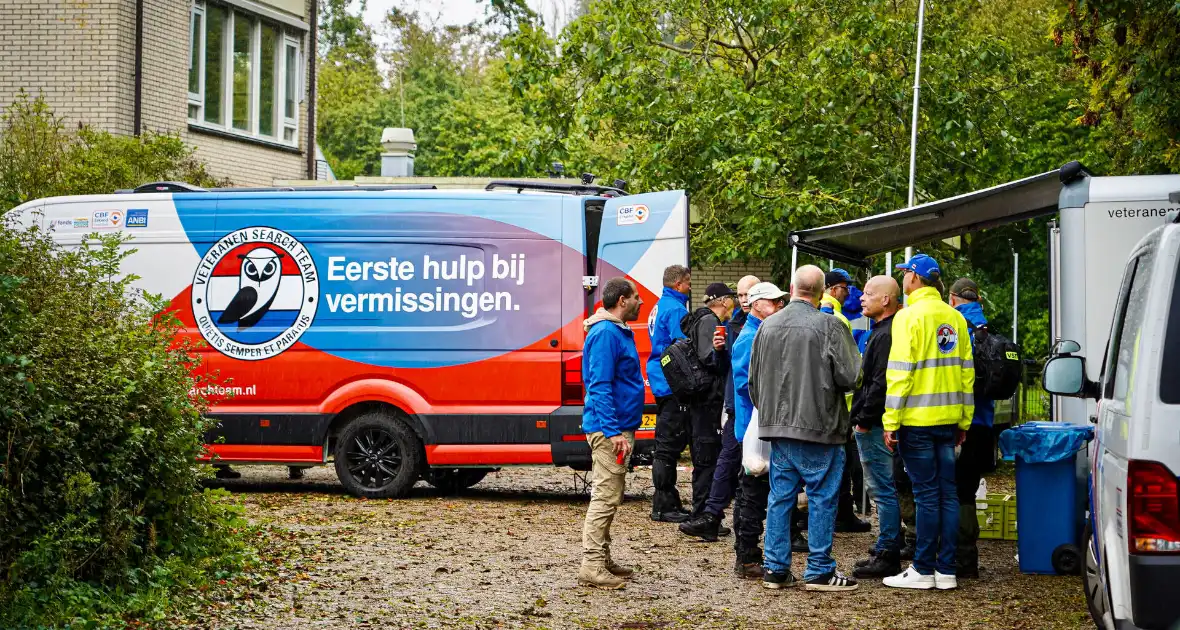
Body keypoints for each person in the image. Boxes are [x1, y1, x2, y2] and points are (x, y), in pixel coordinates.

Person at [750, 266, 861, 592]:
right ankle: (819, 570)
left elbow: (753, 382)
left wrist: (770, 413)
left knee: (780, 497)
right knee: (822, 497)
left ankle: (775, 568)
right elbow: (851, 376)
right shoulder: (830, 325)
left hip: (779, 427)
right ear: (823, 291)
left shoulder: (767, 326)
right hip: (819, 426)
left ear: (791, 288)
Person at [882, 254, 974, 591]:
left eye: (905, 273)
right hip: (949, 421)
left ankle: (922, 568)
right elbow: (967, 375)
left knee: (925, 495)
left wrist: (891, 421)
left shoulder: (907, 317)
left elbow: (900, 375)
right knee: (948, 495)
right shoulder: (956, 317)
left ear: (914, 278)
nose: (903, 278)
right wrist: (964, 421)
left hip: (917, 421)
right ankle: (946, 570)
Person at [578, 277, 646, 590]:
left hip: (615, 427)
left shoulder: (614, 330)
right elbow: (600, 384)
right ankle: (592, 565)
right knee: (605, 497)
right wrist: (613, 430)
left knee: (611, 495)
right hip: (610, 431)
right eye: (636, 297)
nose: (640, 302)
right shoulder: (606, 333)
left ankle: (601, 559)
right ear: (622, 300)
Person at [680, 275, 760, 541]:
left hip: (762, 408)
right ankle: (713, 516)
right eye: (741, 294)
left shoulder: (765, 325)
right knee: (727, 461)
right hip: (738, 406)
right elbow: (723, 367)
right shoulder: (730, 325)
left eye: (749, 294)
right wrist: (720, 352)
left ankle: (717, 517)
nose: (744, 299)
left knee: (744, 465)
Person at [726, 281, 789, 578]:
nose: (779, 305)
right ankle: (747, 556)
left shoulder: (759, 333)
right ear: (756, 304)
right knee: (751, 492)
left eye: (780, 301)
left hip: (759, 424)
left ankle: (749, 554)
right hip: (753, 427)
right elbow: (745, 385)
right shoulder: (749, 338)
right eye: (774, 301)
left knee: (752, 491)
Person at [850, 275, 905, 579]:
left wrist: (863, 419)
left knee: (882, 489)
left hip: (875, 424)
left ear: (885, 300)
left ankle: (888, 553)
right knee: (884, 488)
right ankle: (888, 544)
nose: (862, 298)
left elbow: (880, 382)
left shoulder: (885, 335)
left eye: (868, 293)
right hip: (878, 421)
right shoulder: (885, 331)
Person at [676, 281, 737, 519]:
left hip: (703, 401)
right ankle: (702, 515)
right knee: (707, 459)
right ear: (723, 301)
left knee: (706, 457)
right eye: (732, 298)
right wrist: (721, 355)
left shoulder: (704, 320)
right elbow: (709, 360)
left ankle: (704, 513)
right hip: (707, 402)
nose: (734, 302)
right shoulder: (710, 322)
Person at [948, 277, 996, 579]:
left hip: (962, 422)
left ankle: (962, 558)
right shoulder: (987, 329)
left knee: (957, 492)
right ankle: (966, 555)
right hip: (985, 423)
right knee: (968, 489)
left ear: (953, 299)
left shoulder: (957, 328)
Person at [822, 268, 871, 534]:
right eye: (844, 287)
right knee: (841, 463)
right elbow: (847, 370)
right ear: (832, 288)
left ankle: (835, 512)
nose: (848, 292)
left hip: (825, 404)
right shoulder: (838, 318)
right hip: (843, 405)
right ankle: (842, 513)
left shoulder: (819, 313)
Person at [646, 264, 694, 523]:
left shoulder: (659, 305)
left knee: (666, 443)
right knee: (668, 445)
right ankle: (664, 505)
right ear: (678, 284)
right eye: (688, 283)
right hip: (671, 383)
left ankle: (668, 501)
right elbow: (683, 346)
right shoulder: (676, 309)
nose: (690, 287)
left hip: (659, 379)